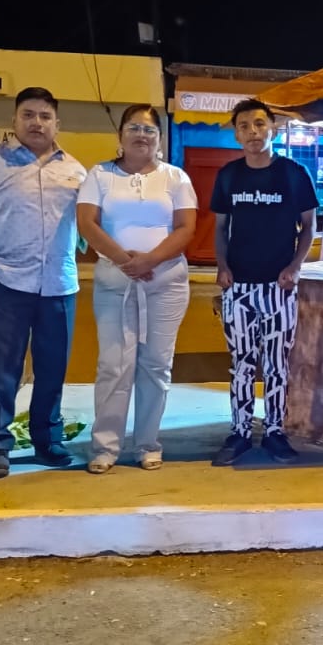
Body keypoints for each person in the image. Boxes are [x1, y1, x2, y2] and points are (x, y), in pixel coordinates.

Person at [0, 87, 87, 479]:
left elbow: (92, 221)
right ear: (14, 120)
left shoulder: (76, 171)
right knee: (1, 370)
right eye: (28, 115)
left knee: (53, 368)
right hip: (7, 282)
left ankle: (47, 440)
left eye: (45, 116)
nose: (36, 123)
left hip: (59, 286)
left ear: (57, 123)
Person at [76, 104, 197, 474]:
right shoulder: (99, 175)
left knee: (156, 365)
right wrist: (124, 260)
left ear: (159, 138)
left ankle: (147, 444)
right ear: (120, 135)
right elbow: (87, 223)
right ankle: (105, 447)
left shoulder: (176, 177)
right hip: (115, 284)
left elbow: (186, 228)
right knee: (114, 365)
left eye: (149, 130)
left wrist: (150, 260)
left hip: (165, 285)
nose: (141, 135)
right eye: (134, 128)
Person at [209, 98, 318, 466]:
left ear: (273, 128)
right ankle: (239, 432)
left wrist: (296, 266)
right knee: (241, 363)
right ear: (236, 134)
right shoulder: (229, 176)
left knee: (276, 365)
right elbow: (220, 227)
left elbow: (308, 226)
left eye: (259, 124)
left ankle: (274, 432)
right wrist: (222, 267)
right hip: (239, 288)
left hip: (278, 288)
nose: (252, 132)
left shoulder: (294, 174)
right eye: (244, 126)